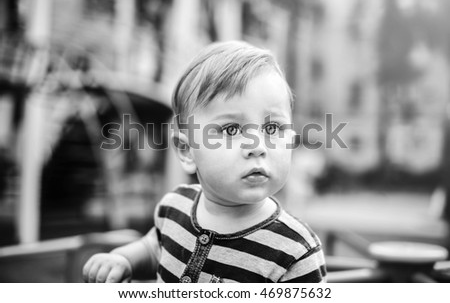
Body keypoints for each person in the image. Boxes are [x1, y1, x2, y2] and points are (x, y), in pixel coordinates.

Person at [82, 41, 327, 283]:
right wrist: (123, 260)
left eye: (273, 127)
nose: (258, 146)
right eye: (231, 129)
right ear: (188, 151)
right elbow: (155, 248)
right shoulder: (175, 207)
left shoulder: (295, 252)